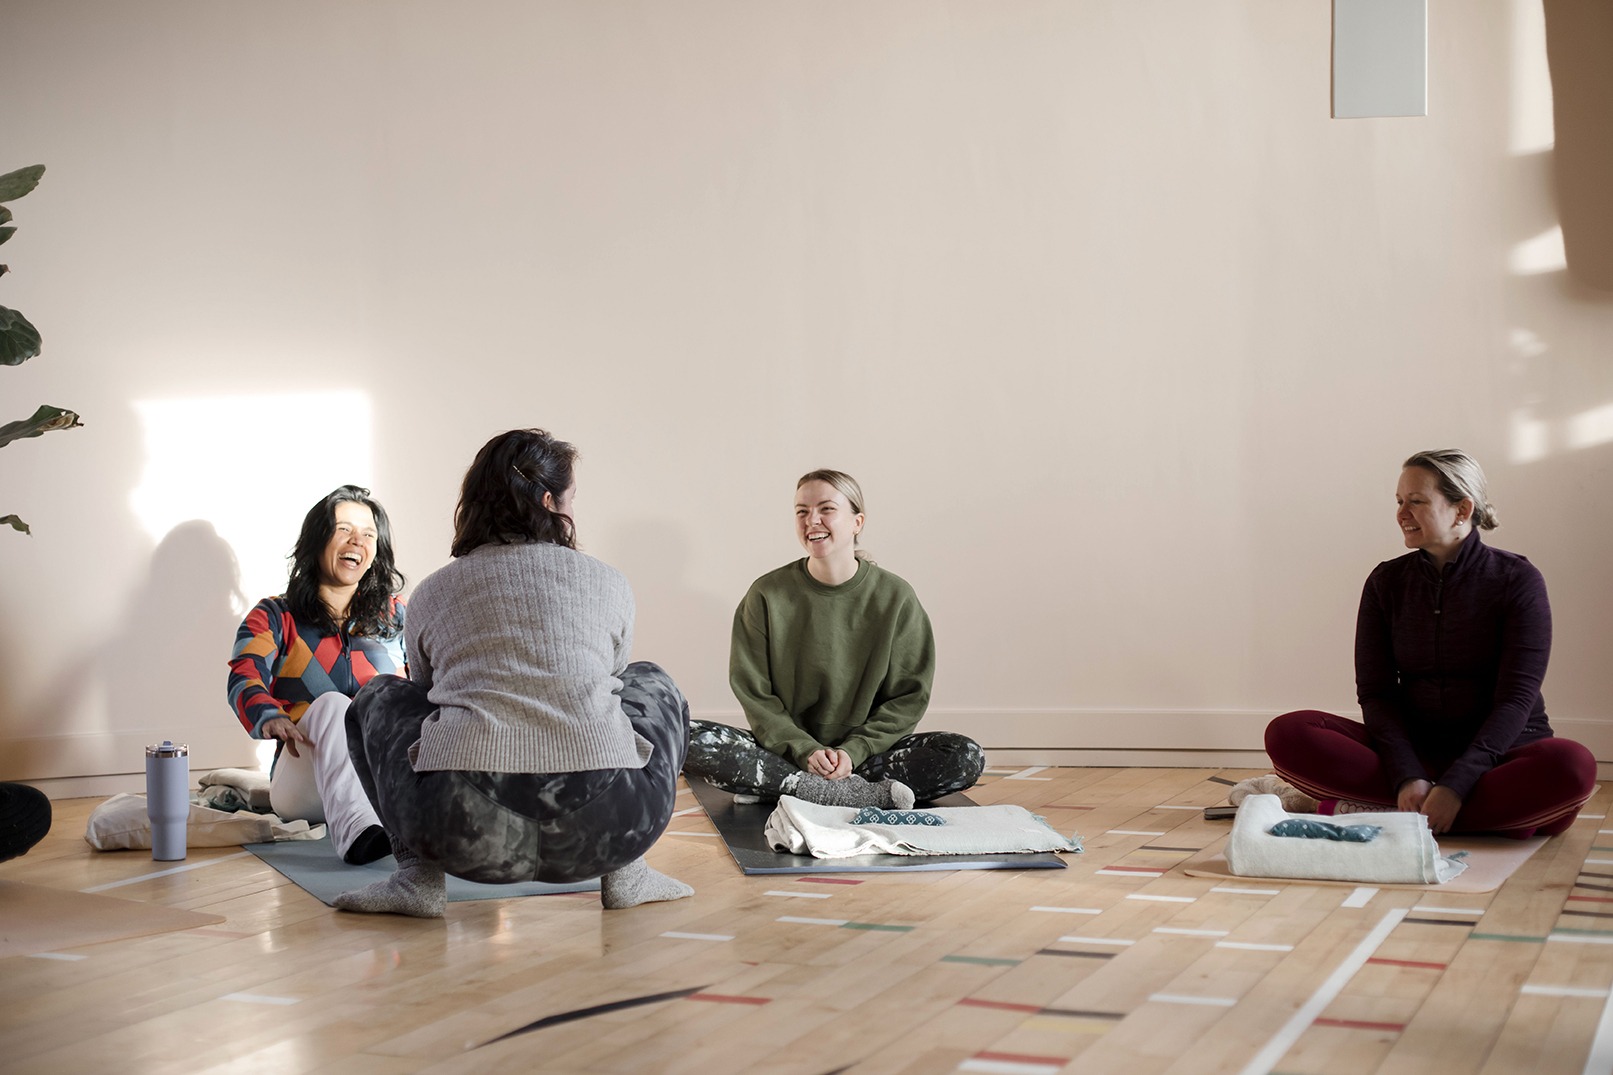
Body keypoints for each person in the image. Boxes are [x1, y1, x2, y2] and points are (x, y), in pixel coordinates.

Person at [334, 429, 692, 918]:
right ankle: (629, 874)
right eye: (569, 499)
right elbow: (613, 682)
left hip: (462, 831)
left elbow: (424, 694)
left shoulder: (433, 592)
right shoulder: (609, 581)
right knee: (649, 679)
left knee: (379, 695)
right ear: (548, 502)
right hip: (610, 827)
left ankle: (417, 880)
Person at [1263, 449, 1595, 838]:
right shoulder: (1385, 582)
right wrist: (1408, 775)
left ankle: (1395, 810)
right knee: (1289, 732)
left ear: (1462, 509)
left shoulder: (1517, 580)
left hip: (1501, 756)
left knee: (1572, 766)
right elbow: (1376, 694)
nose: (1402, 514)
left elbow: (1516, 699)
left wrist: (1457, 783)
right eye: (1399, 502)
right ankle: (1486, 818)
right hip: (1414, 755)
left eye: (1416, 501)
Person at [685, 469, 985, 808]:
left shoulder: (896, 597)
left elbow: (908, 698)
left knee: (965, 755)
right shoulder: (766, 594)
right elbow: (755, 694)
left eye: (826, 509)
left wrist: (852, 752)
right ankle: (844, 791)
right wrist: (804, 749)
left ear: (857, 522)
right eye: (802, 511)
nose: (811, 520)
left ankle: (789, 786)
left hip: (867, 757)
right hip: (787, 752)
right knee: (682, 736)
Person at [227, 485, 405, 864]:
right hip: (303, 784)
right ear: (318, 540)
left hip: (384, 775)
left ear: (376, 553)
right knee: (333, 706)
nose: (357, 540)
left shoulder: (397, 618)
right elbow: (244, 675)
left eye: (368, 534)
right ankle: (358, 833)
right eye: (344, 529)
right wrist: (268, 715)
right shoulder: (275, 615)